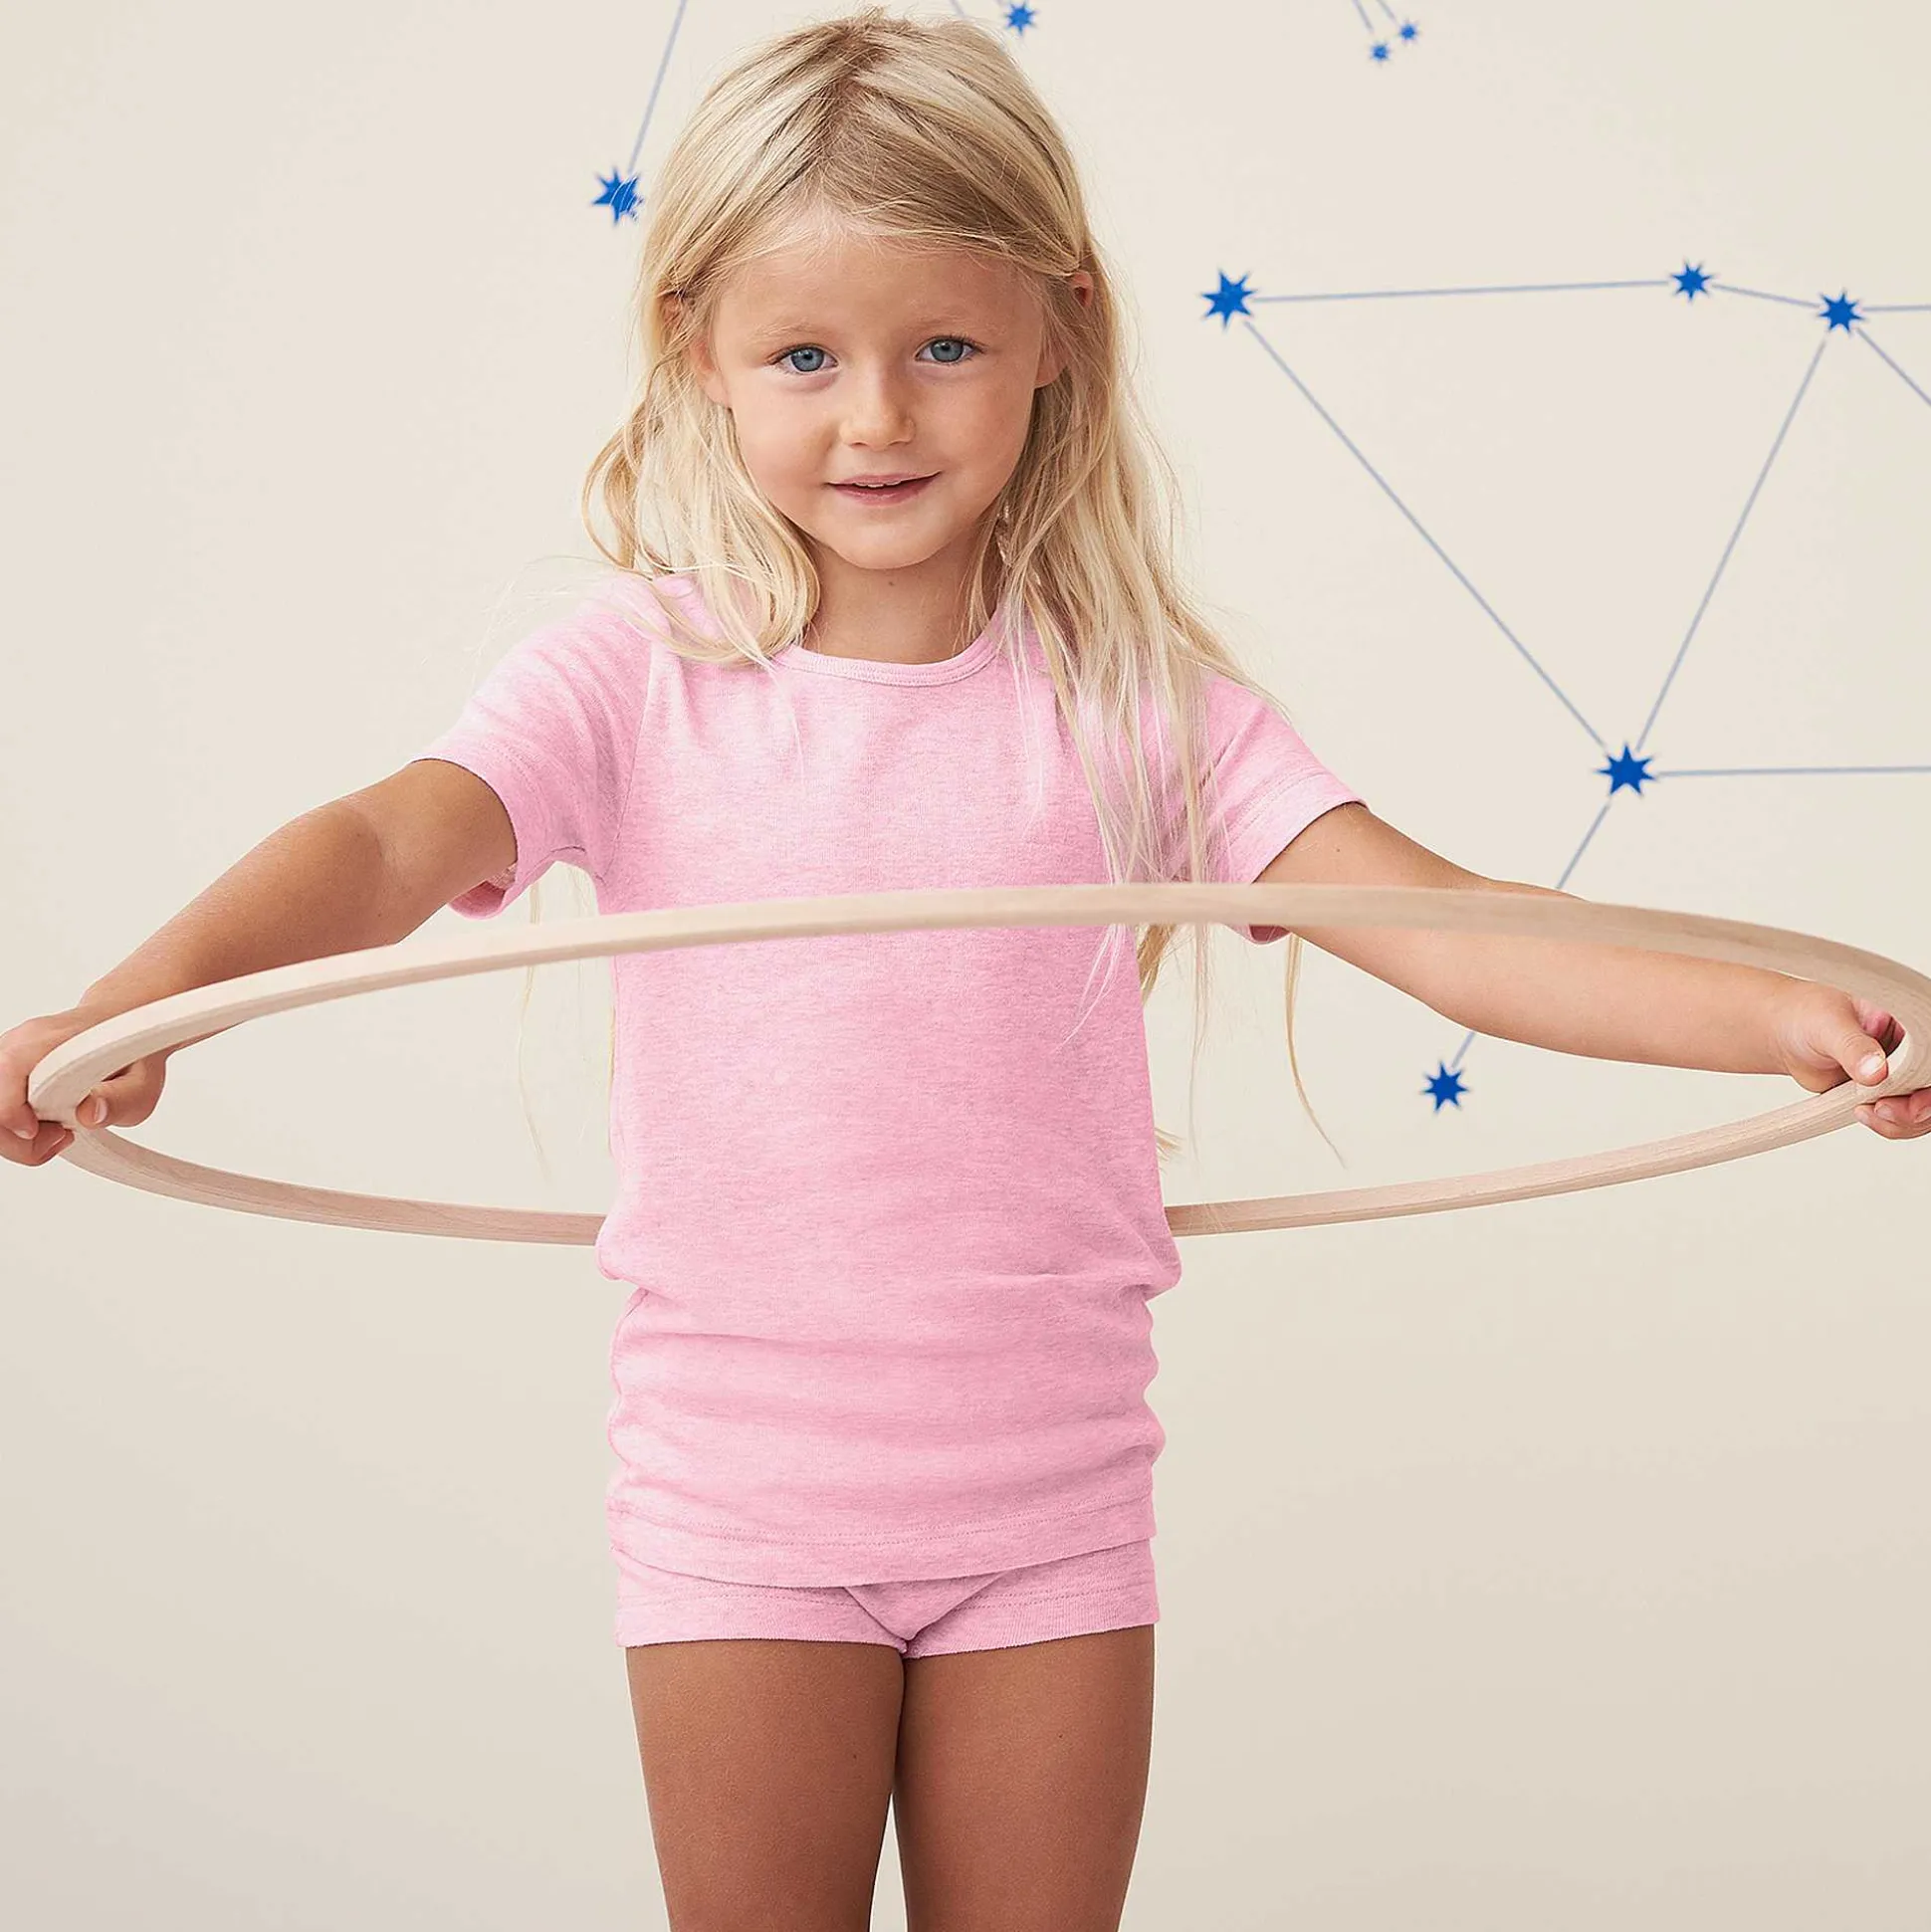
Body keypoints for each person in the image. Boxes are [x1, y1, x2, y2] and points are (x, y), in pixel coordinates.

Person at [5, 8, 1926, 1927]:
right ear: (698, 351)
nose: (877, 417)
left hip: (1051, 1516)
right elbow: (384, 843)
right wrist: (141, 1002)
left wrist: (1799, 1020)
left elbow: (1453, 932)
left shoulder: (1141, 709)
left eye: (943, 347)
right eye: (806, 355)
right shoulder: (633, 681)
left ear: (1057, 332)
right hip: (744, 1509)